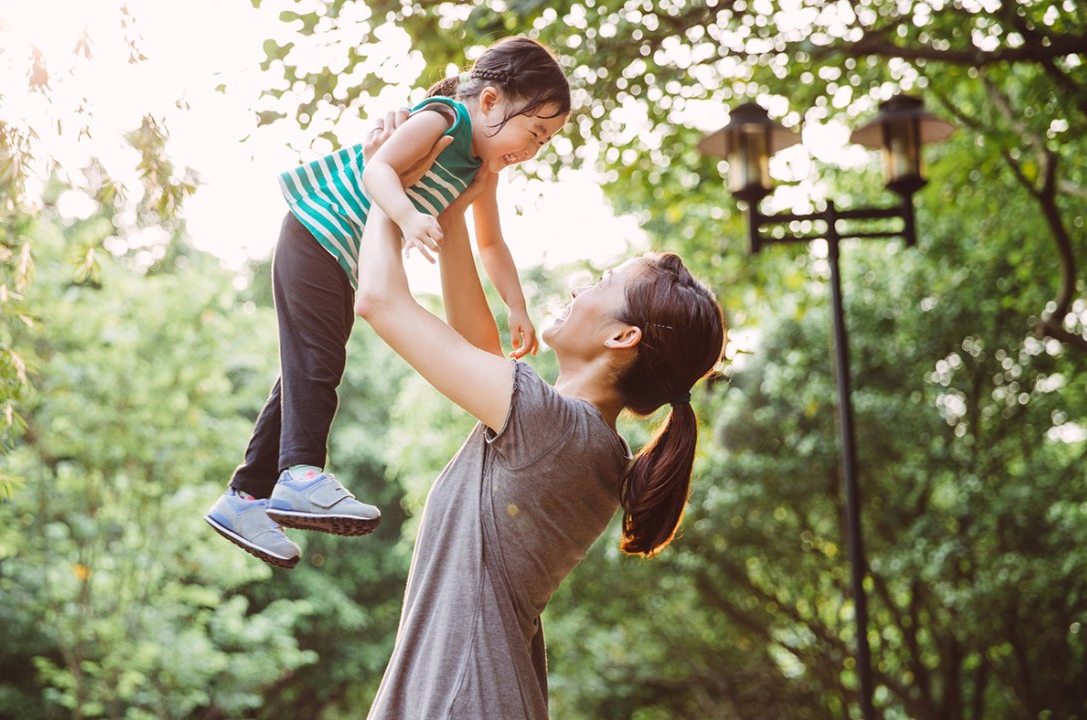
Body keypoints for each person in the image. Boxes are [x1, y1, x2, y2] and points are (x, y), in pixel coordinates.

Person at [353, 179, 727, 717]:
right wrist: (460, 195)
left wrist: (388, 178)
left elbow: (378, 299)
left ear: (622, 337)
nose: (578, 290)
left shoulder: (552, 429)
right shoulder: (584, 444)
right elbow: (474, 345)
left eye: (601, 283)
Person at [205, 36, 572, 569]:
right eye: (533, 130)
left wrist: (515, 304)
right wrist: (406, 216)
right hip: (315, 230)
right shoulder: (442, 118)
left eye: (545, 141)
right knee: (316, 362)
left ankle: (243, 499)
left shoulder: (482, 169)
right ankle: (301, 472)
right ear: (490, 99)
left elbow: (491, 243)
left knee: (303, 368)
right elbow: (378, 168)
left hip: (341, 255)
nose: (532, 149)